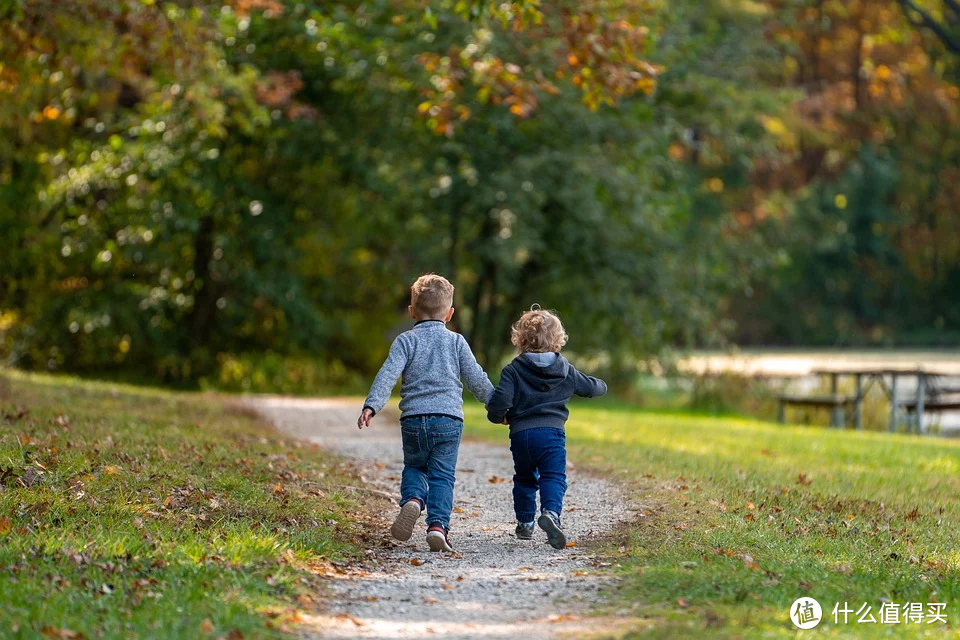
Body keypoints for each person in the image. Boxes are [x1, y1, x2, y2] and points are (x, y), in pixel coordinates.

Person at [358, 274, 494, 552]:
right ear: (450, 313)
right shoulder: (456, 342)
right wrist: (497, 406)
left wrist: (372, 405)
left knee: (415, 466)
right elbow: (476, 378)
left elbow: (387, 375)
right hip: (448, 420)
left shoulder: (405, 341)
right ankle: (437, 527)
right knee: (442, 476)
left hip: (413, 420)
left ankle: (413, 500)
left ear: (411, 311)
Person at [485, 307, 607, 549]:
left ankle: (525, 523)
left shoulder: (513, 370)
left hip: (521, 436)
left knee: (524, 478)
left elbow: (501, 401)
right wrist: (602, 385)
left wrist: (498, 417)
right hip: (552, 435)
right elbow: (591, 388)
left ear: (520, 340)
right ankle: (551, 513)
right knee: (553, 476)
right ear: (558, 341)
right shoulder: (565, 370)